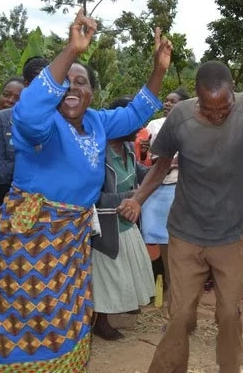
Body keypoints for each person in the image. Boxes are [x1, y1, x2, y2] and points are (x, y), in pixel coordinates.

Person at [0, 10, 172, 371]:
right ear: (53, 90)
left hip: (70, 245)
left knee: (65, 321)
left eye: (81, 82)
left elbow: (134, 114)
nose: (73, 88)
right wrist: (71, 51)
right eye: (65, 82)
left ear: (92, 93)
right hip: (27, 240)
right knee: (22, 323)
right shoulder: (42, 124)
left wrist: (159, 69)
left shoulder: (97, 122)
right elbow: (28, 112)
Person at [117, 60, 243, 373]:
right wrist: (137, 198)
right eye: (208, 109)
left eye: (224, 108)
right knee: (179, 316)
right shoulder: (180, 115)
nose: (217, 115)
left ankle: (230, 368)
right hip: (186, 233)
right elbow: (161, 166)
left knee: (229, 313)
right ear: (196, 97)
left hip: (231, 236)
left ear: (234, 92)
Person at [91, 96, 156, 341]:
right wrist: (130, 196)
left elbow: (143, 173)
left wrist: (164, 167)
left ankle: (112, 313)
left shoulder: (128, 148)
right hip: (107, 226)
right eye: (134, 122)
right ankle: (100, 322)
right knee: (106, 277)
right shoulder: (98, 153)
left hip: (126, 223)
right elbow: (94, 198)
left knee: (123, 272)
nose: (140, 128)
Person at [140, 88, 190, 300]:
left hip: (177, 188)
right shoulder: (154, 125)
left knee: (174, 242)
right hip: (155, 190)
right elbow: (150, 159)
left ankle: (173, 291)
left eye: (173, 101)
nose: (167, 104)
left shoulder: (191, 126)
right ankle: (157, 290)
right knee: (153, 240)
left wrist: (170, 163)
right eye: (166, 100)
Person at [0, 58, 49, 204]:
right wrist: (36, 162)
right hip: (11, 203)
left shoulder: (63, 117)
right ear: (27, 85)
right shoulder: (1, 119)